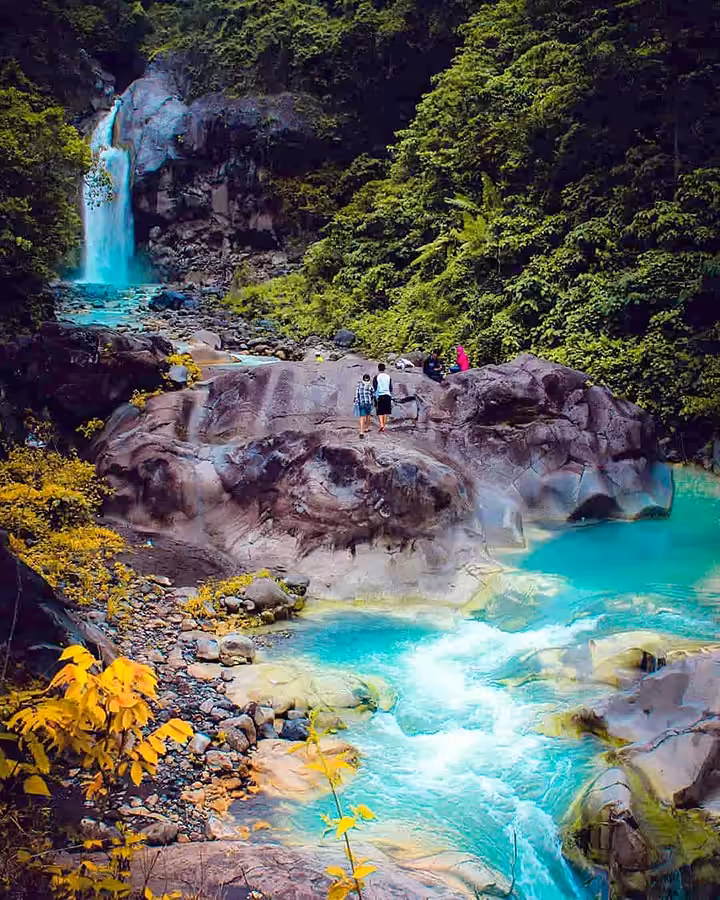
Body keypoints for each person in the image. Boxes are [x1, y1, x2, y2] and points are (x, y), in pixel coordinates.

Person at [372, 362, 393, 432]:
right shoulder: (388, 376)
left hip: (380, 395)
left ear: (378, 369)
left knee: (380, 411)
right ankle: (384, 426)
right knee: (386, 411)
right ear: (385, 369)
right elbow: (390, 387)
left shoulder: (376, 377)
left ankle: (381, 425)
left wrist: (375, 396)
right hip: (387, 395)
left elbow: (375, 387)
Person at [354, 373, 374, 438]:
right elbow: (373, 394)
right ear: (369, 379)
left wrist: (356, 401)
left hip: (361, 403)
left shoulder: (358, 385)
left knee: (362, 417)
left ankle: (361, 432)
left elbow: (356, 394)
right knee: (368, 415)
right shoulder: (370, 386)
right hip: (368, 403)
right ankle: (367, 428)